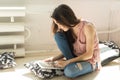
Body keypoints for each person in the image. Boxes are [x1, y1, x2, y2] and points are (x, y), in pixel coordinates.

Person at [44, 4, 101, 78]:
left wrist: (67, 62)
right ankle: (69, 64)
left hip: (90, 60)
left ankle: (70, 65)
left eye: (58, 23)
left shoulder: (87, 27)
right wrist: (53, 59)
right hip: (75, 57)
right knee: (58, 35)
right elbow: (69, 50)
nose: (58, 27)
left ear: (64, 19)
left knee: (69, 72)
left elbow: (89, 54)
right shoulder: (69, 29)